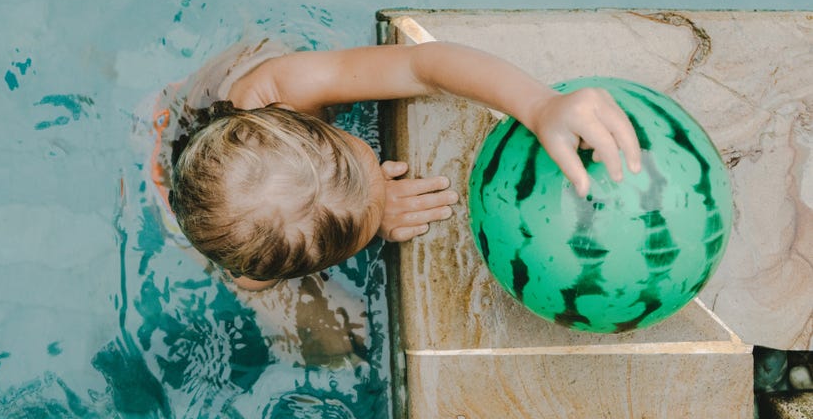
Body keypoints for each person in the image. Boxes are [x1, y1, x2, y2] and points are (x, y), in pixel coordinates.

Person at [154, 39, 642, 292]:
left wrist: (539, 106)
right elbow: (253, 284)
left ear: (318, 124)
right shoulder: (252, 265)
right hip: (170, 152)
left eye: (369, 174)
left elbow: (421, 65)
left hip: (190, 101)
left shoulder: (284, 84)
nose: (383, 188)